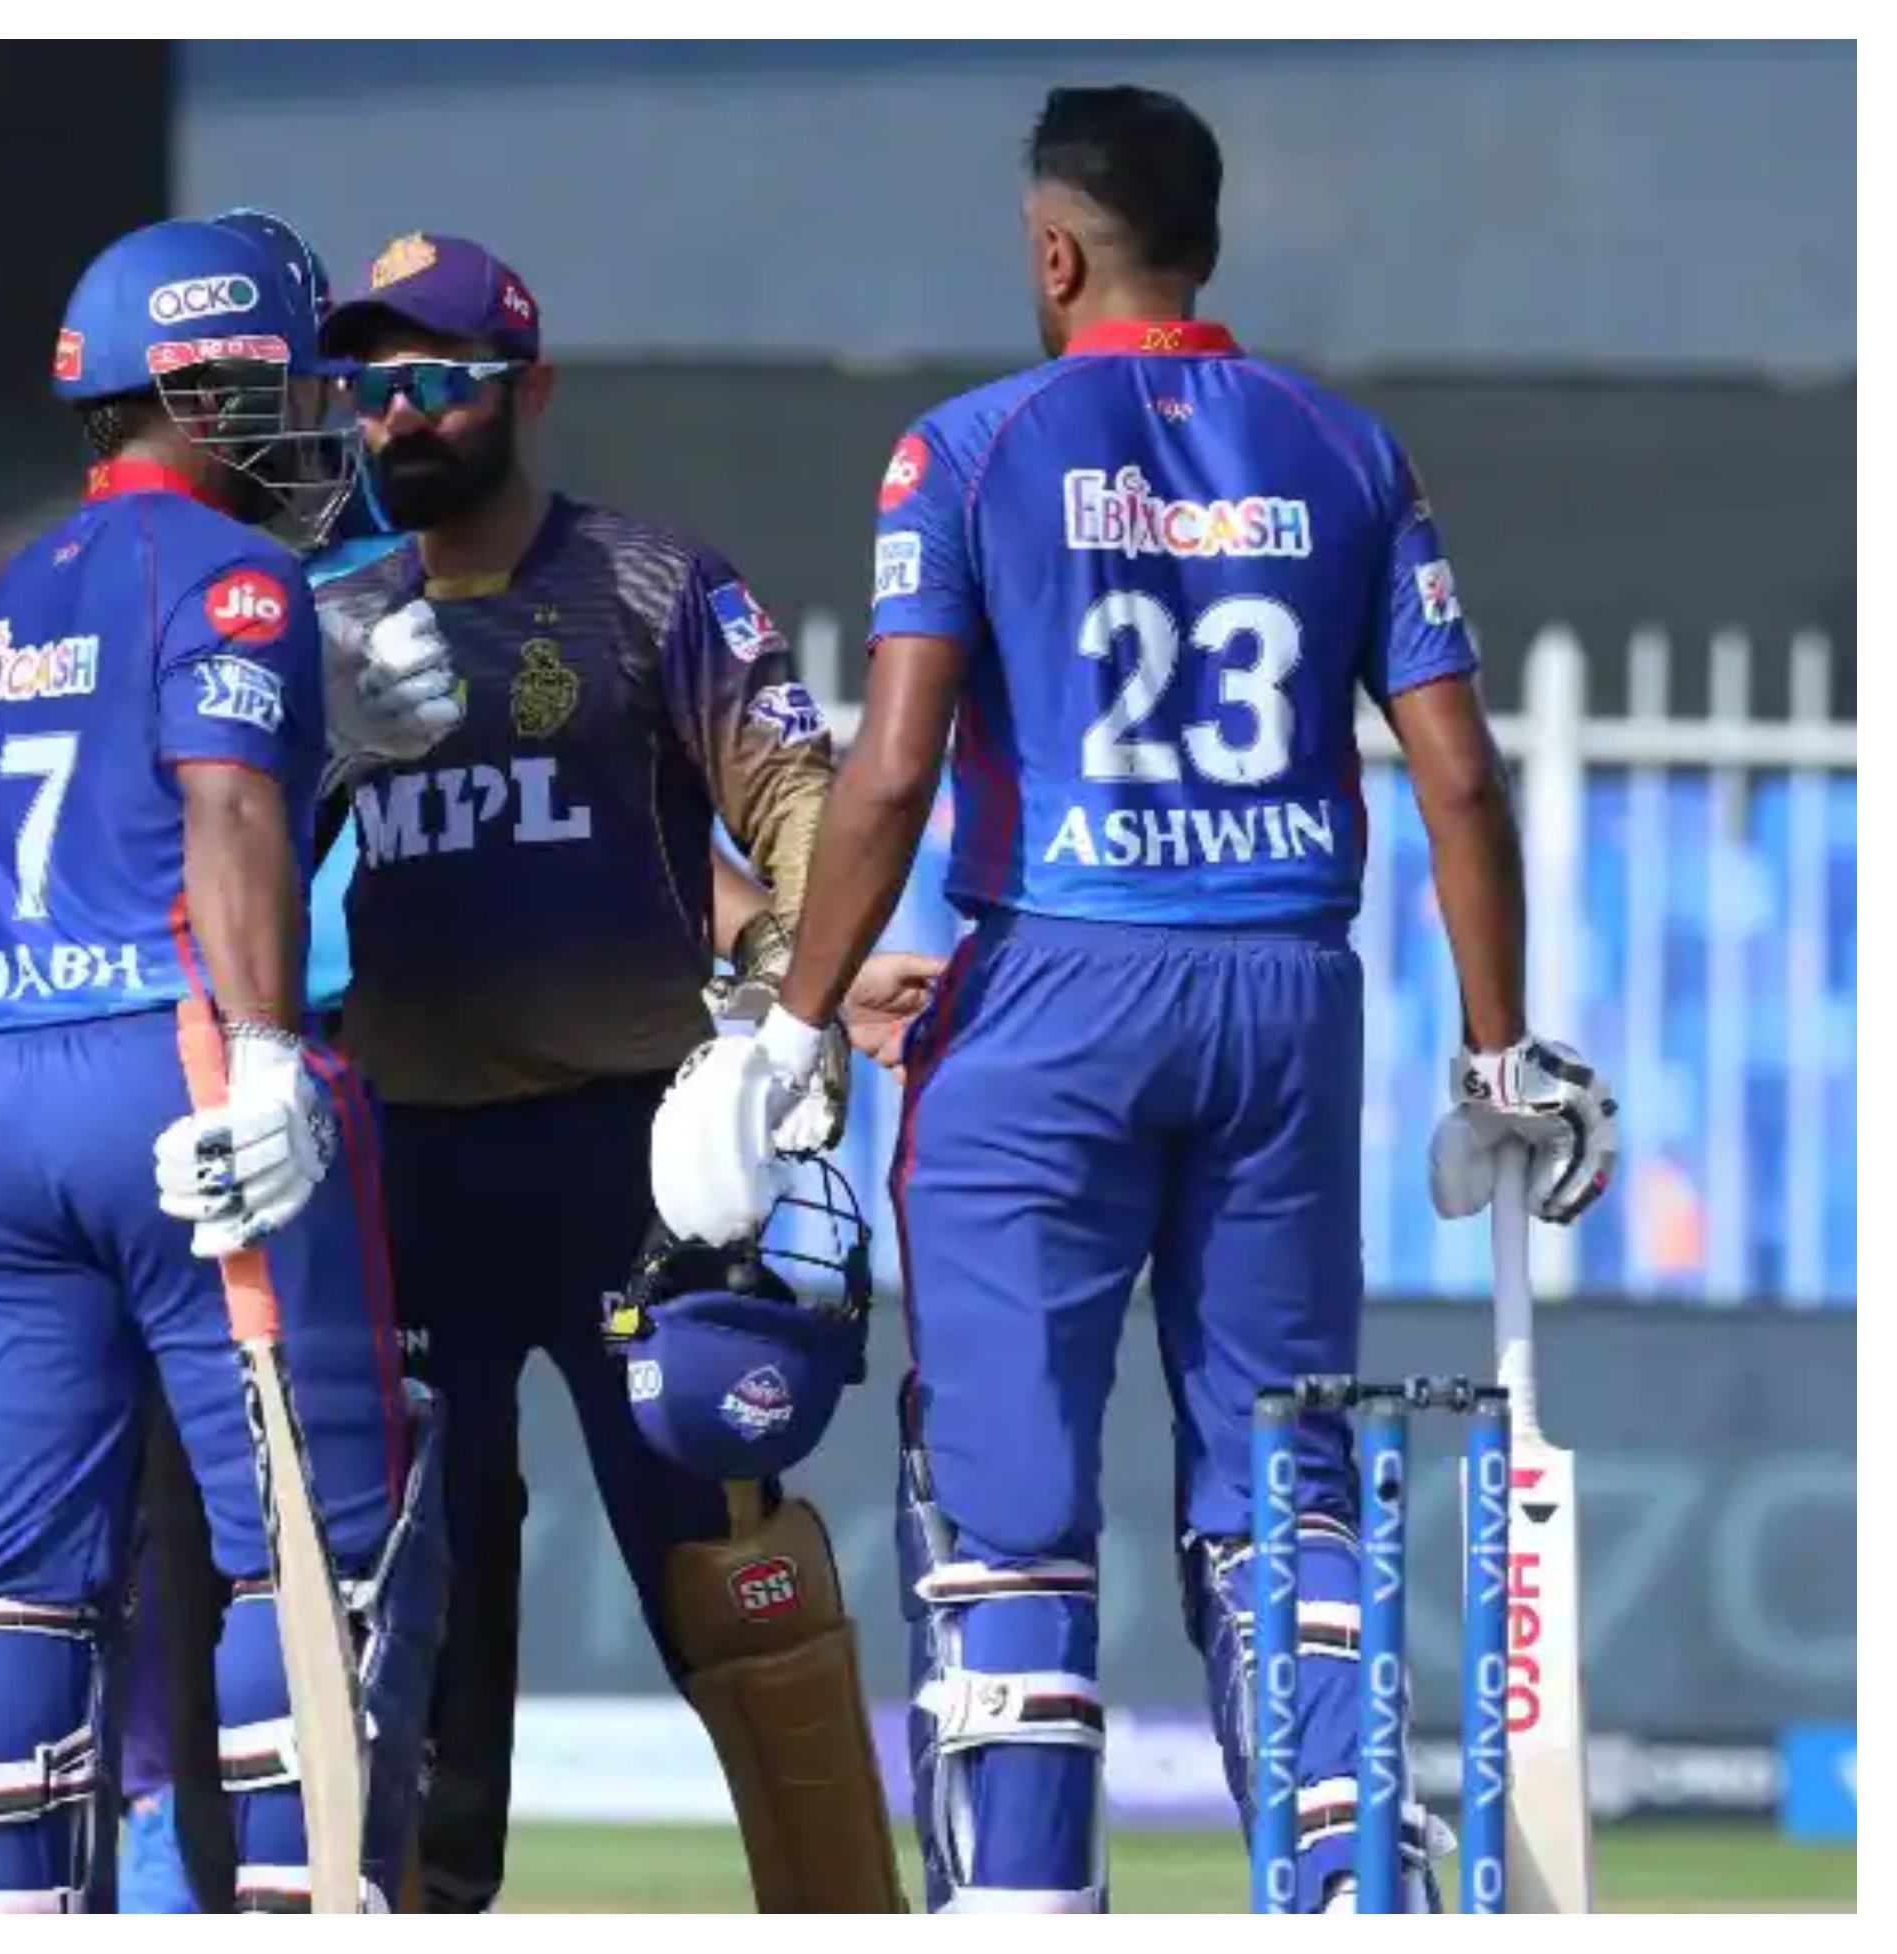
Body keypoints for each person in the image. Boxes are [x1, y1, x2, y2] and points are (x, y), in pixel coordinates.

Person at [646, 86, 1621, 1913]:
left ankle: (1027, 1899)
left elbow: (891, 772)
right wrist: (1499, 1059)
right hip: (1283, 998)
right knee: (1283, 1481)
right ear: (1207, 241)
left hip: (1052, 994)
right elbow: (1462, 780)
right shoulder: (1348, 451)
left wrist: (791, 1026)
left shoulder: (970, 448)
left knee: (1007, 1499)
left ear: (1053, 250)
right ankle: (1346, 1880)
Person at [0, 215, 439, 1912]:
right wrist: (264, 1051)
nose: (315, 418)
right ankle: (305, 1902)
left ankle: (4, 1907)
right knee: (315, 1544)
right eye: (284, 383)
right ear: (200, 387)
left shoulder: (17, 589)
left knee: (17, 1569)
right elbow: (229, 807)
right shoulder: (239, 576)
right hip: (173, 1075)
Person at [308, 232, 929, 1914]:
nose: (401, 415)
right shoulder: (332, 618)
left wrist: (793, 1006)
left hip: (631, 1165)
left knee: (731, 1562)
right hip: (413, 1166)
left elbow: (795, 800)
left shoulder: (650, 586)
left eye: (442, 380)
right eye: (371, 386)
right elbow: (233, 843)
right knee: (419, 1586)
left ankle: (840, 1911)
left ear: (530, 390)